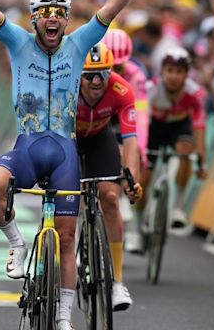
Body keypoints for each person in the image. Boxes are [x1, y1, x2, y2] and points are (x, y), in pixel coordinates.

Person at [0, 0, 151, 328]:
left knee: (66, 239)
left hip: (64, 153)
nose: (54, 19)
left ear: (66, 20)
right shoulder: (18, 42)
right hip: (27, 147)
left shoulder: (78, 45)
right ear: (35, 19)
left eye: (60, 14)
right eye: (47, 14)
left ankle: (63, 316)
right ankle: (15, 241)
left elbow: (110, 9)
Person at [76, 42, 142, 311]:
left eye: (102, 73)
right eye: (89, 74)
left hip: (100, 139)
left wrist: (132, 179)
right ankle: (74, 250)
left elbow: (131, 142)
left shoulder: (121, 89)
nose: (95, 81)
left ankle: (116, 283)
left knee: (111, 199)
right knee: (70, 197)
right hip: (69, 138)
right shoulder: (65, 87)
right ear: (78, 74)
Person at [126, 46, 208, 252]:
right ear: (162, 72)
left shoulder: (194, 93)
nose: (173, 76)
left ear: (186, 75)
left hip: (178, 128)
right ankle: (137, 229)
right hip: (153, 129)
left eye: (179, 72)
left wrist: (201, 159)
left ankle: (178, 207)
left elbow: (199, 127)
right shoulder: (151, 88)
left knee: (185, 150)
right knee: (143, 180)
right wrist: (140, 150)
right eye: (170, 71)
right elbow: (141, 122)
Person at [101, 28, 149, 164]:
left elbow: (141, 114)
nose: (113, 74)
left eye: (118, 68)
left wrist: (141, 147)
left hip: (119, 115)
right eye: (109, 67)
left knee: (125, 156)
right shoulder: (87, 68)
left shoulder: (137, 77)